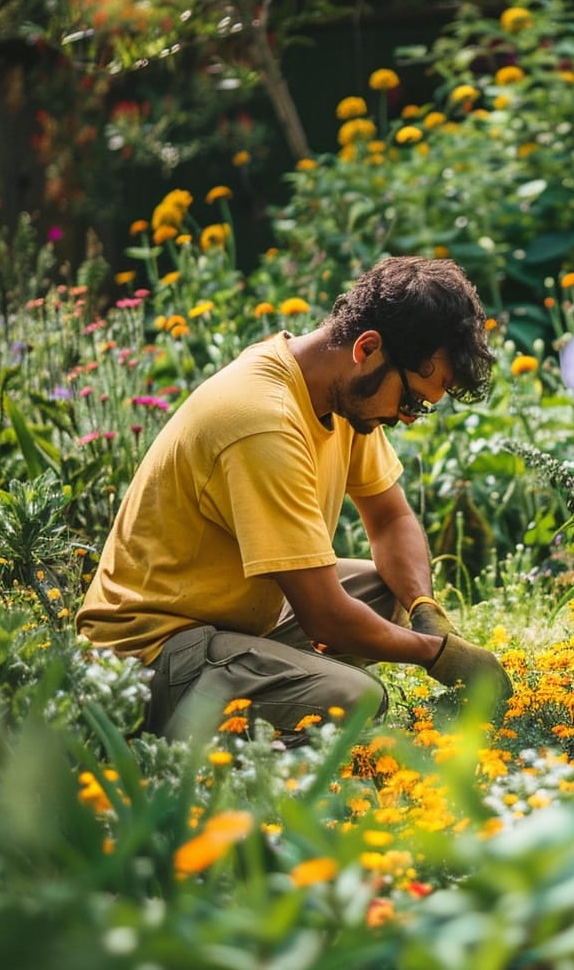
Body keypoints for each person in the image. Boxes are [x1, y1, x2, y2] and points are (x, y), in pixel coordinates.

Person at [76, 256, 512, 746]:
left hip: (225, 624)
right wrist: (438, 654)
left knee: (388, 589)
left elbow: (390, 519)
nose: (409, 418)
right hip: (148, 658)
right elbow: (324, 615)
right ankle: (231, 770)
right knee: (355, 697)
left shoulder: (338, 390)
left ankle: (276, 700)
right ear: (368, 348)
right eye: (412, 401)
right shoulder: (265, 421)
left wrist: (424, 608)